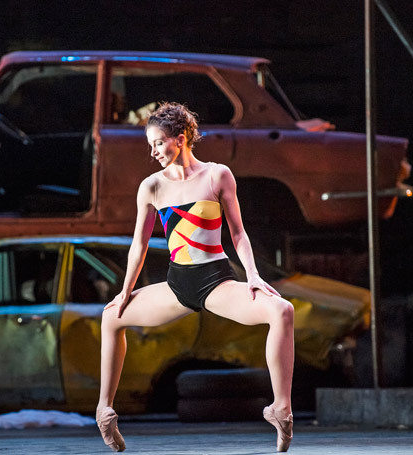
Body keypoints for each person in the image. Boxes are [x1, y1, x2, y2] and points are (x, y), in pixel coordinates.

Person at [95, 102, 295, 452]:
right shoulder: (151, 187)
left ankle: (281, 409)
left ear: (181, 138)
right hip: (177, 285)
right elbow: (138, 245)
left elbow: (239, 234)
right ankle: (104, 410)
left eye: (158, 143)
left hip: (216, 282)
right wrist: (125, 290)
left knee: (282, 311)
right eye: (150, 145)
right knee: (111, 317)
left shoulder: (218, 176)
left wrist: (252, 275)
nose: (153, 151)